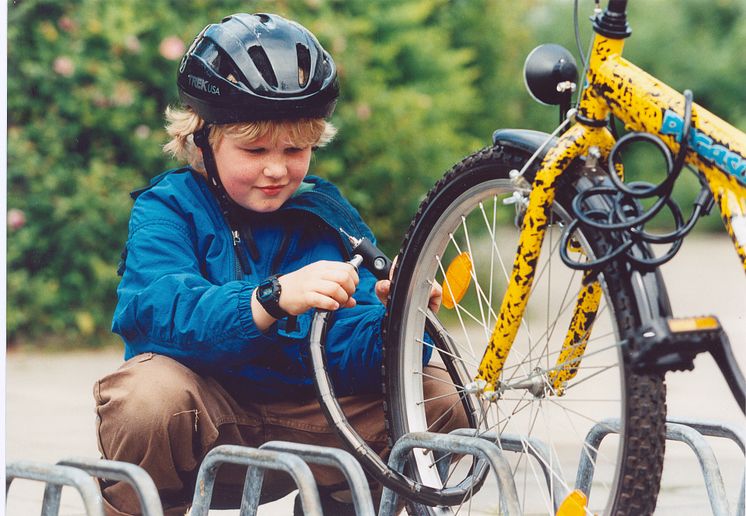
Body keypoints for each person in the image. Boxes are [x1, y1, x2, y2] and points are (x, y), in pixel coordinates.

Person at [94, 12, 467, 516]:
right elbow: (156, 313)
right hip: (207, 420)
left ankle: (346, 504)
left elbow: (351, 352)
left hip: (310, 425)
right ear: (202, 139)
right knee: (145, 396)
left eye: (296, 149)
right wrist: (268, 299)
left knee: (439, 393)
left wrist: (396, 320)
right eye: (254, 148)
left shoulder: (327, 213)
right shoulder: (168, 208)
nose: (276, 169)